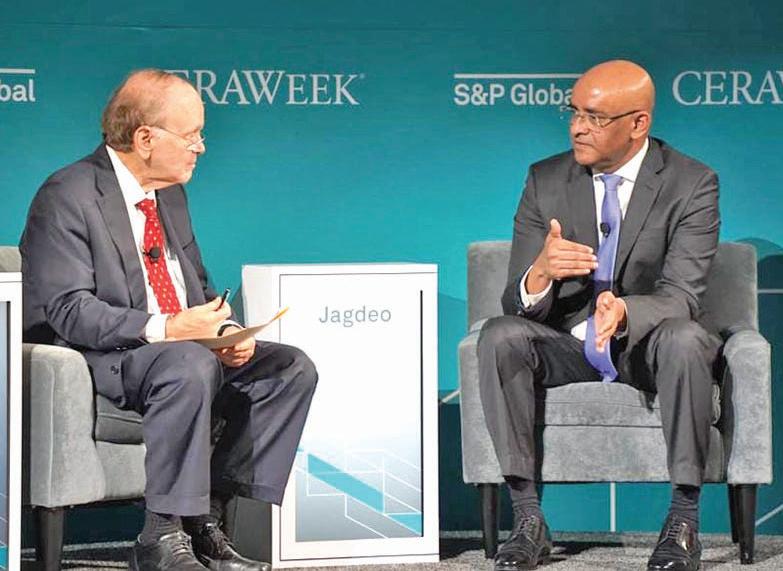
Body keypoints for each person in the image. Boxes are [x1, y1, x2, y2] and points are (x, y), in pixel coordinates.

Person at [20, 69, 318, 571]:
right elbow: (69, 310)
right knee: (186, 363)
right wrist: (167, 328)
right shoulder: (68, 194)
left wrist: (224, 332)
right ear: (145, 139)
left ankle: (206, 523)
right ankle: (159, 537)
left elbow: (197, 285)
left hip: (177, 353)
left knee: (288, 368)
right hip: (103, 358)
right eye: (191, 135)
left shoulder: (170, 195)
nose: (201, 147)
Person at [478, 60, 720, 571]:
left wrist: (627, 310)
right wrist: (540, 273)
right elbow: (515, 302)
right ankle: (527, 518)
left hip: (644, 346)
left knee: (687, 338)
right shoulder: (545, 179)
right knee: (500, 335)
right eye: (573, 113)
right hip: (568, 344)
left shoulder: (691, 183)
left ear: (638, 124)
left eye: (594, 117)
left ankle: (683, 522)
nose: (577, 128)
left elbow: (683, 295)